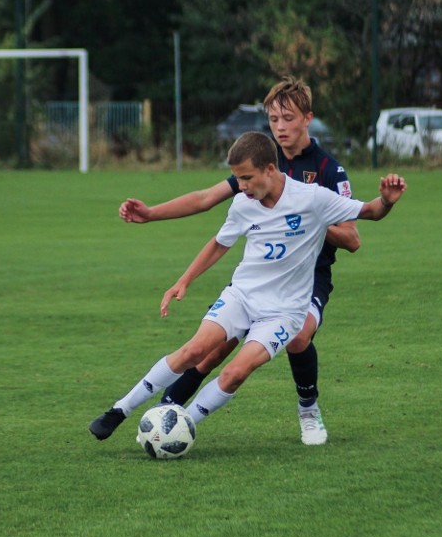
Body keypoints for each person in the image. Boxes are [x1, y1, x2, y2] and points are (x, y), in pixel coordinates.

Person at [90, 131, 406, 441]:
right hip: (241, 297)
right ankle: (119, 410)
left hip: (285, 313)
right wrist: (183, 281)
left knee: (234, 374)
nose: (241, 186)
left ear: (271, 169)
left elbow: (369, 212)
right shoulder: (243, 203)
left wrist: (387, 201)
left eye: (246, 178)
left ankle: (182, 426)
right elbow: (218, 244)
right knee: (194, 351)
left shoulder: (312, 198)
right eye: (237, 179)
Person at [118, 77, 358, 445]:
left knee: (298, 336)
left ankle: (308, 408)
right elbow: (203, 198)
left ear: (307, 118)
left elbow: (352, 238)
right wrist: (150, 214)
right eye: (273, 119)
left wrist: (308, 219)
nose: (280, 127)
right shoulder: (258, 164)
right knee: (211, 350)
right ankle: (166, 417)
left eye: (288, 118)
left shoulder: (327, 170)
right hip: (257, 278)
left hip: (306, 277)